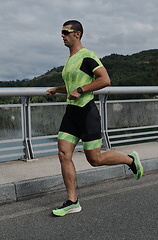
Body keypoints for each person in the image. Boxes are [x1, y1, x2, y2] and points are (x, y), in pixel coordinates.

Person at [46, 20, 143, 217]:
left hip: (86, 112)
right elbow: (73, 85)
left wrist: (81, 90)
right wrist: (58, 89)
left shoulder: (87, 56)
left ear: (77, 34)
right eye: (61, 33)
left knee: (95, 159)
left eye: (66, 32)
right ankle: (72, 201)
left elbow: (104, 79)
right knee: (64, 154)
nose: (62, 36)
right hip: (71, 113)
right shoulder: (70, 61)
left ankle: (130, 160)